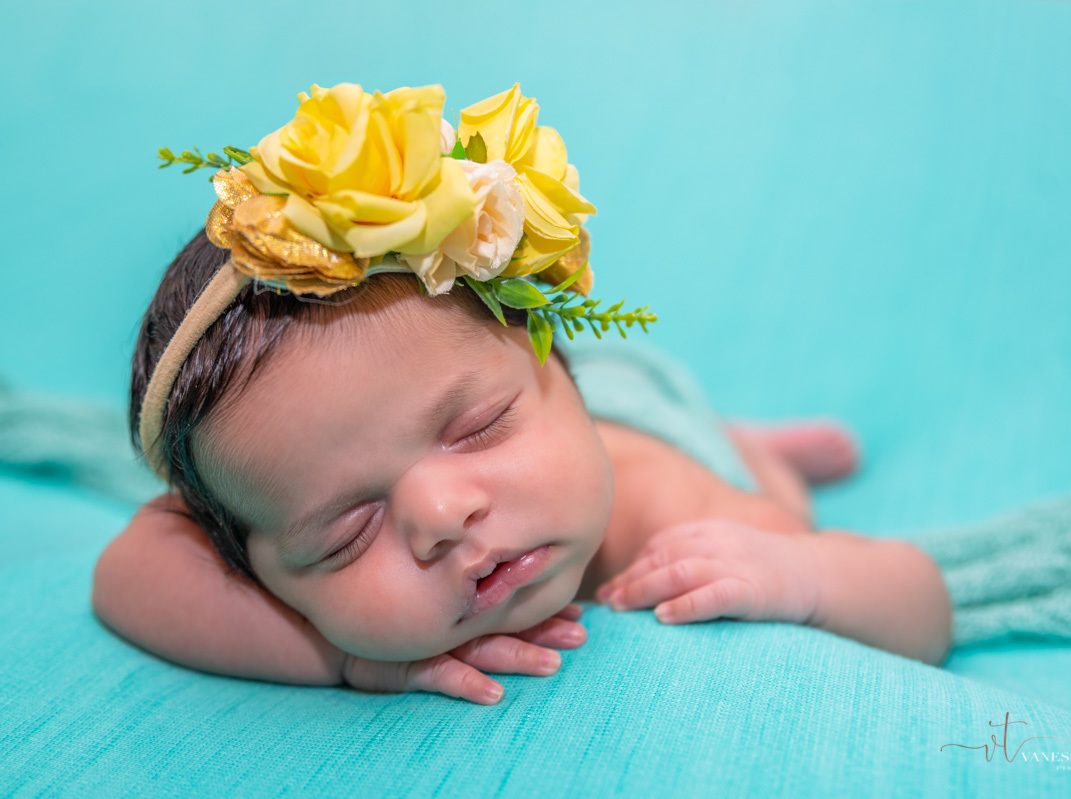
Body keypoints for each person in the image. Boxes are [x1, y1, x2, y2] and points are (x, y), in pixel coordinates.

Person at [91, 81, 952, 706]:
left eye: (479, 429)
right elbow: (125, 574)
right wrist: (337, 658)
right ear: (259, 562)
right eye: (347, 532)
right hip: (562, 390)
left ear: (557, 372)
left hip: (648, 416)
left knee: (769, 490)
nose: (443, 513)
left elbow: (921, 604)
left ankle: (754, 439)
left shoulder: (674, 520)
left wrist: (804, 572)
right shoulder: (274, 486)